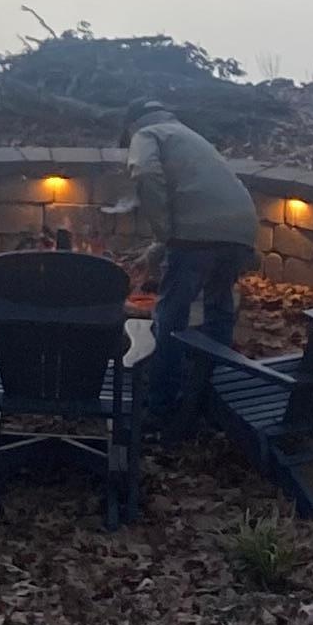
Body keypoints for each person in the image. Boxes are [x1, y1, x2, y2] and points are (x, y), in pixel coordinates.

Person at [111, 93, 257, 421]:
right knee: (218, 308)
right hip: (240, 230)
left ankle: (162, 404)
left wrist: (164, 233)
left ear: (132, 125)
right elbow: (198, 198)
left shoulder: (146, 135)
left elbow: (145, 173)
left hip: (196, 240)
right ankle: (210, 391)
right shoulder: (187, 136)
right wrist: (157, 248)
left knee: (170, 319)